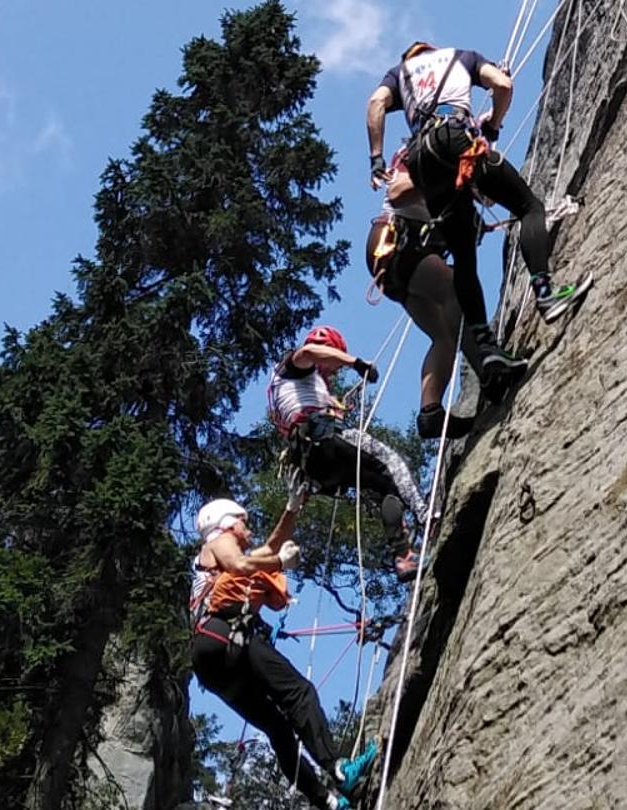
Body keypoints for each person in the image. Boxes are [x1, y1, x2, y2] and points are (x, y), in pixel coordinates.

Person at [365, 42, 583, 381]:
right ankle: (545, 293)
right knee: (529, 207)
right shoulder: (460, 57)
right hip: (455, 138)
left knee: (465, 258)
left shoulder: (399, 75)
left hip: (421, 156)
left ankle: (486, 348)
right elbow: (503, 85)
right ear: (431, 51)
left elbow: (376, 102)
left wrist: (376, 157)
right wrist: (493, 125)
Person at [189, 497, 378, 810]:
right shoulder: (220, 542)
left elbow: (271, 547)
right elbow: (243, 564)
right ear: (227, 523)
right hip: (228, 632)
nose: (247, 529)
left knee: (277, 729)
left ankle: (328, 801)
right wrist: (280, 565)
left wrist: (291, 508)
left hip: (210, 661)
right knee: (299, 694)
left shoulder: (219, 558)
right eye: (243, 522)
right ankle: (338, 768)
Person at [267, 325, 428, 554]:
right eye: (335, 363)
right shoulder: (294, 365)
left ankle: (402, 555)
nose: (335, 371)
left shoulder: (300, 386)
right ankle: (426, 515)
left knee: (387, 486)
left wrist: (335, 407)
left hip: (316, 466)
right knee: (392, 462)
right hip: (325, 439)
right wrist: (356, 363)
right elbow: (309, 352)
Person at [367, 148, 475, 440]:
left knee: (444, 338)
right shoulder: (417, 154)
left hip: (398, 262)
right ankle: (483, 361)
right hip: (399, 242)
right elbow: (400, 191)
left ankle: (430, 412)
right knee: (457, 287)